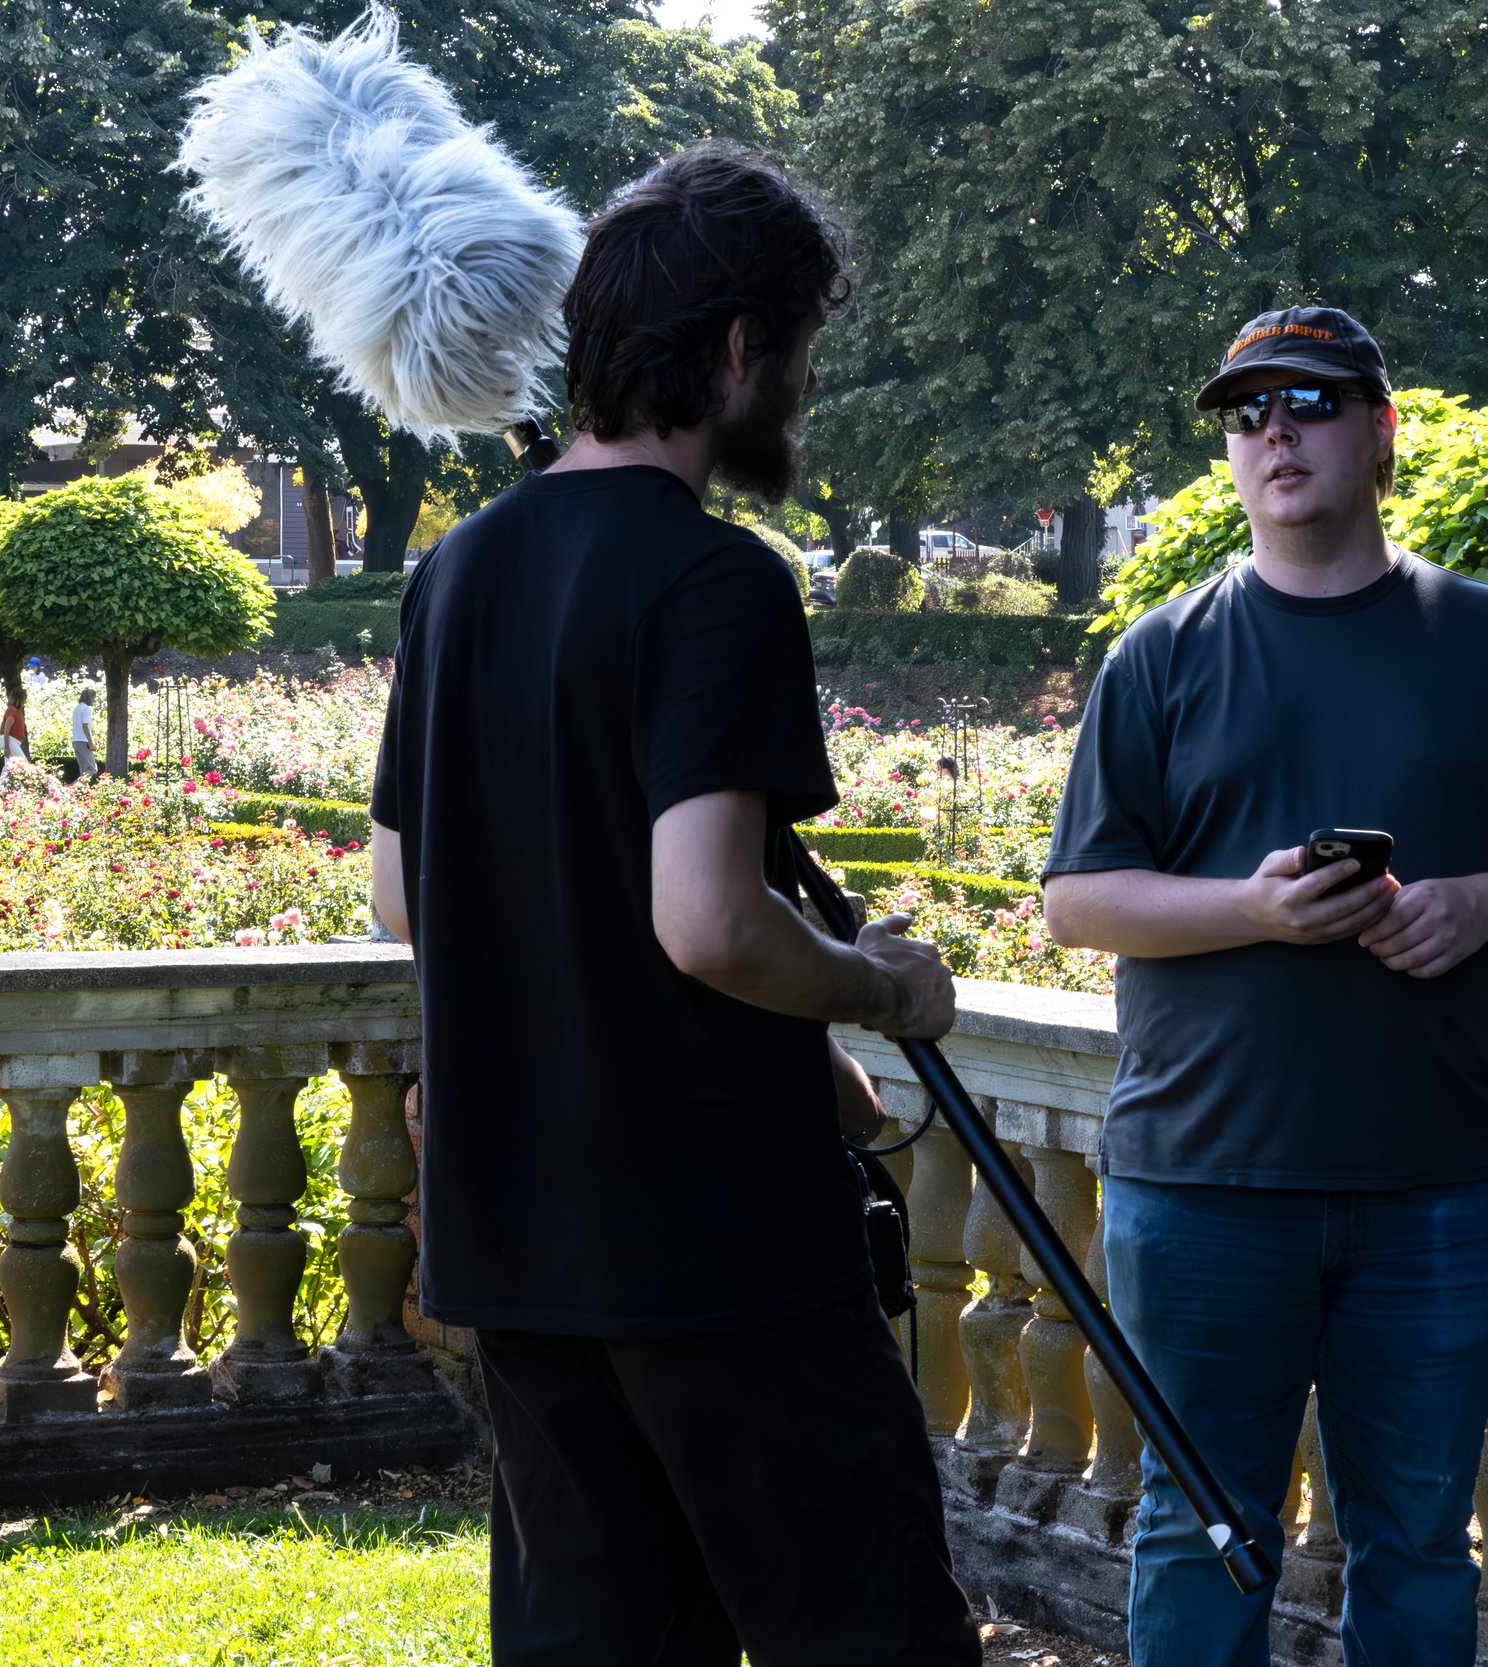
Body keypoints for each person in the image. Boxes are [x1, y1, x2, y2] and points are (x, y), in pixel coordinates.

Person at [366, 143, 980, 1667]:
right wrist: (878, 984)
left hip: (520, 1248)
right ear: (738, 348)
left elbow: (402, 895)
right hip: (720, 1253)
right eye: (802, 351)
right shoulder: (719, 582)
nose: (802, 390)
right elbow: (708, 921)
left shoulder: (455, 572)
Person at [1040, 305, 1488, 1667]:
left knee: (1420, 1544)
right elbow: (1077, 899)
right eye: (1245, 411)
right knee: (1198, 1532)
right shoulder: (1160, 652)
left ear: (1381, 431)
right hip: (1202, 1181)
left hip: (1440, 1185)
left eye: (1309, 401)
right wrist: (1252, 908)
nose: (1274, 432)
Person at [70, 688, 100, 782]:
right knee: (92, 769)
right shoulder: (86, 709)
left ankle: (81, 789)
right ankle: (72, 786)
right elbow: (85, 726)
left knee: (84, 770)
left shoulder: (77, 708)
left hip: (76, 741)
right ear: (89, 698)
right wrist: (91, 743)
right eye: (94, 698)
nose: (94, 700)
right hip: (83, 741)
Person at [0, 691, 29, 769]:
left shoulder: (17, 711)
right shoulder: (12, 711)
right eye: (24, 698)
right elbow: (6, 730)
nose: (25, 701)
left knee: (9, 766)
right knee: (23, 764)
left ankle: (4, 777)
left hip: (12, 741)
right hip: (10, 740)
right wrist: (7, 746)